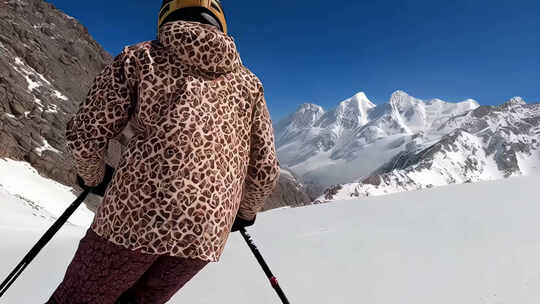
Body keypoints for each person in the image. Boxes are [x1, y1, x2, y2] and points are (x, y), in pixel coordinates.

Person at [47, 0, 280, 303]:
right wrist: (244, 214)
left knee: (79, 298)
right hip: (205, 234)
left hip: (134, 218)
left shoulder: (139, 58)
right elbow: (264, 170)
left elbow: (85, 135)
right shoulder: (250, 85)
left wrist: (94, 177)